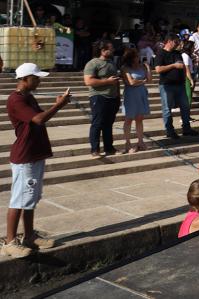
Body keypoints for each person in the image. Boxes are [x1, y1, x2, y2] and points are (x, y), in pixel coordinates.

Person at [2, 63, 69, 258]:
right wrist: (59, 105)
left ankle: (29, 235)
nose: (39, 80)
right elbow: (38, 120)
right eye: (36, 77)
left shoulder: (28, 97)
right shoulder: (15, 100)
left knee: (31, 197)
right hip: (25, 156)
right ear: (24, 79)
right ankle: (10, 241)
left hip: (35, 153)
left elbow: (41, 116)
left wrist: (57, 105)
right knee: (19, 198)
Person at [155, 35, 199, 139]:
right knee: (167, 109)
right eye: (176, 42)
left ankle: (186, 128)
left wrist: (184, 78)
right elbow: (158, 69)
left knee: (185, 106)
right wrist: (173, 66)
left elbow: (183, 66)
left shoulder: (177, 53)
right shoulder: (161, 53)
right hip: (167, 85)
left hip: (180, 85)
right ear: (169, 41)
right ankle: (170, 131)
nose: (178, 44)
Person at [83, 40, 121, 157]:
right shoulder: (93, 63)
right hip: (99, 97)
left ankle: (109, 148)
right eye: (111, 48)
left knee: (108, 124)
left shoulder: (112, 63)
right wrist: (107, 81)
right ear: (103, 50)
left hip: (112, 97)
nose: (113, 50)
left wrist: (118, 96)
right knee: (97, 123)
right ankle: (95, 149)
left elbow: (116, 81)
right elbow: (88, 81)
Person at [120, 48, 149, 153]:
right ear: (131, 58)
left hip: (141, 93)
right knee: (129, 119)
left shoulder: (141, 66)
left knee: (139, 118)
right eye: (137, 56)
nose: (139, 57)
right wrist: (143, 81)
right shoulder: (125, 68)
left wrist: (148, 68)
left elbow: (149, 79)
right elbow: (131, 82)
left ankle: (140, 142)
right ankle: (127, 143)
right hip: (131, 94)